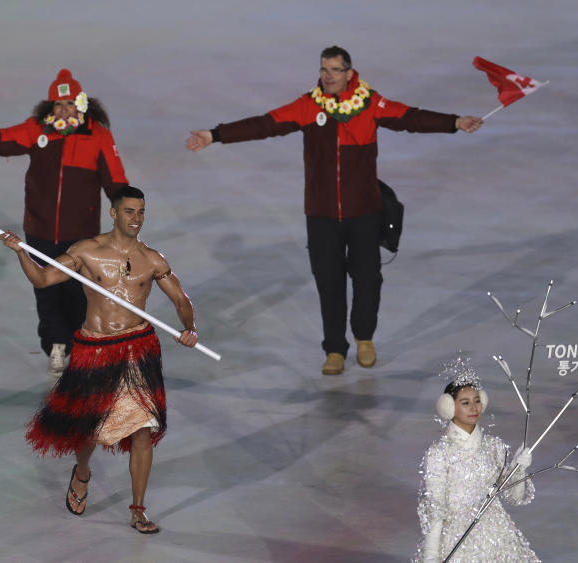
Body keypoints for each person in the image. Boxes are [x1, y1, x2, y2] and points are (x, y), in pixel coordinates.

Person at [185, 46, 483, 375]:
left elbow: (411, 118)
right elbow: (264, 124)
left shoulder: (371, 105)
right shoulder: (308, 106)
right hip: (322, 215)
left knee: (368, 279)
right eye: (324, 70)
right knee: (330, 284)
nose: (328, 76)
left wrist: (454, 122)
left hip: (364, 212)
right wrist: (215, 135)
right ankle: (335, 350)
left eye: (335, 70)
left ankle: (365, 338)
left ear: (350, 74)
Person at [0, 186, 198, 534]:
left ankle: (138, 509)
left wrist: (189, 329)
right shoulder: (87, 251)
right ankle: (82, 471)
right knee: (88, 428)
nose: (136, 219)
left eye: (140, 212)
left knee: (143, 430)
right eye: (129, 212)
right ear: (114, 213)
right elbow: (44, 279)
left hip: (138, 348)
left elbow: (181, 300)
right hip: (95, 349)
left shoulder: (153, 259)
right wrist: (20, 253)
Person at [0, 69, 129, 377]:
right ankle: (57, 346)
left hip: (81, 236)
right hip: (40, 230)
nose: (64, 110)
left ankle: (81, 347)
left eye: (70, 103)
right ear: (50, 108)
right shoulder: (36, 131)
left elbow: (116, 182)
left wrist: (128, 214)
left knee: (77, 293)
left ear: (81, 104)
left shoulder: (97, 136)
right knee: (46, 293)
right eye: (58, 104)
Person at [414, 358, 538, 562]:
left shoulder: (494, 446)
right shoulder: (439, 453)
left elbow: (514, 498)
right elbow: (434, 510)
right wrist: (431, 557)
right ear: (449, 407)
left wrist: (519, 469)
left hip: (498, 540)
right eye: (465, 402)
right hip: (456, 541)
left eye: (477, 400)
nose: (474, 407)